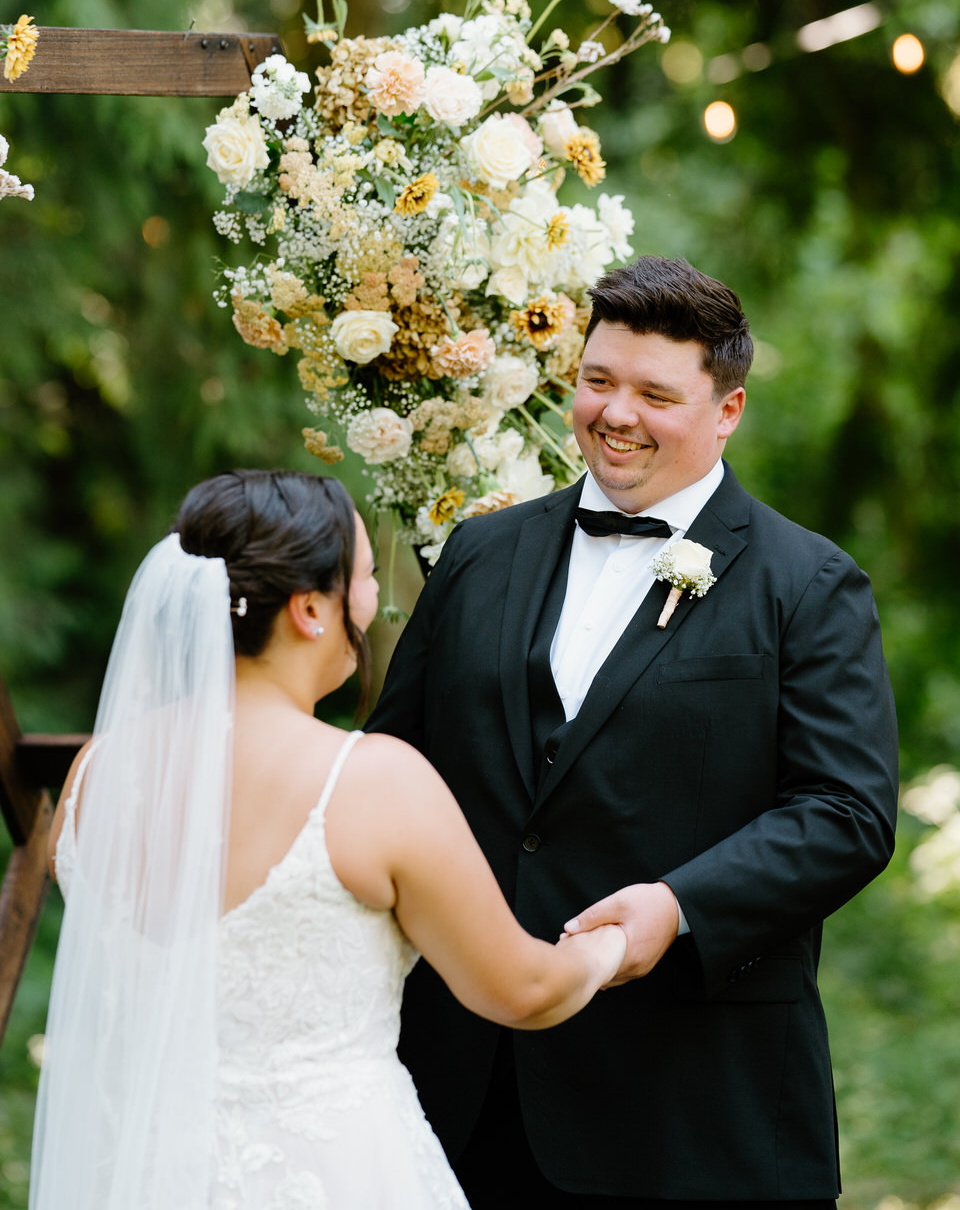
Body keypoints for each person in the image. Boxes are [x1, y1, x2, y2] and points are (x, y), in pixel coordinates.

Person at [365, 255, 899, 1209]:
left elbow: (845, 814)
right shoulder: (481, 553)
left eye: (656, 394)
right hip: (464, 1093)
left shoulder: (807, 586)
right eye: (598, 381)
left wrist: (678, 906)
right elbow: (391, 768)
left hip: (691, 1105)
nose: (615, 414)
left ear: (727, 411)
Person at [30, 469, 625, 1210]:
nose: (373, 599)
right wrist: (612, 946)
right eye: (367, 576)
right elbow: (524, 990)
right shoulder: (369, 782)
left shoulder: (97, 773)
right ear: (312, 609)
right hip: (335, 1174)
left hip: (145, 1171)